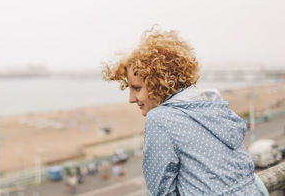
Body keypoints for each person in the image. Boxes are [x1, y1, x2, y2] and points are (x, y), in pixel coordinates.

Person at [103, 26, 267, 195]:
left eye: (136, 88)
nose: (130, 99)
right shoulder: (213, 106)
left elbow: (161, 191)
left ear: (158, 83)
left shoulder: (160, 119)